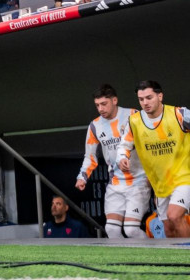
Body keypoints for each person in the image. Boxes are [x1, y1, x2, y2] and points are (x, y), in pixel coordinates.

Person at [75, 85, 150, 238]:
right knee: (111, 229)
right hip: (115, 183)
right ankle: (126, 261)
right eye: (97, 105)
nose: (100, 109)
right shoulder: (95, 126)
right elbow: (90, 157)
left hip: (139, 180)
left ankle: (152, 257)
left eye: (104, 104)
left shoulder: (134, 115)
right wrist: (82, 177)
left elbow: (150, 143)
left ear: (114, 100)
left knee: (131, 229)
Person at [118, 81, 190, 238]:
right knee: (168, 226)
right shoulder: (134, 122)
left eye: (149, 97)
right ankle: (177, 258)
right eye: (141, 99)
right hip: (160, 183)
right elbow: (124, 144)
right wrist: (123, 156)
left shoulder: (180, 114)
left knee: (174, 216)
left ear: (160, 96)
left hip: (184, 178)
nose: (145, 102)